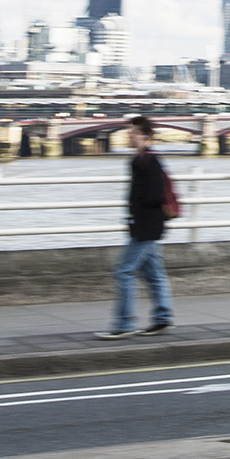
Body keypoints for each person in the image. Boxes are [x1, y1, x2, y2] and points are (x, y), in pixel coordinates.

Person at [96, 115, 179, 339]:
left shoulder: (149, 161)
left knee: (123, 270)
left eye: (133, 133)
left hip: (146, 227)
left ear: (145, 136)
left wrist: (137, 210)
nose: (129, 136)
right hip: (147, 226)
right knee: (154, 275)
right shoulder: (140, 160)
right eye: (129, 132)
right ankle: (162, 319)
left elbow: (154, 196)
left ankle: (124, 324)